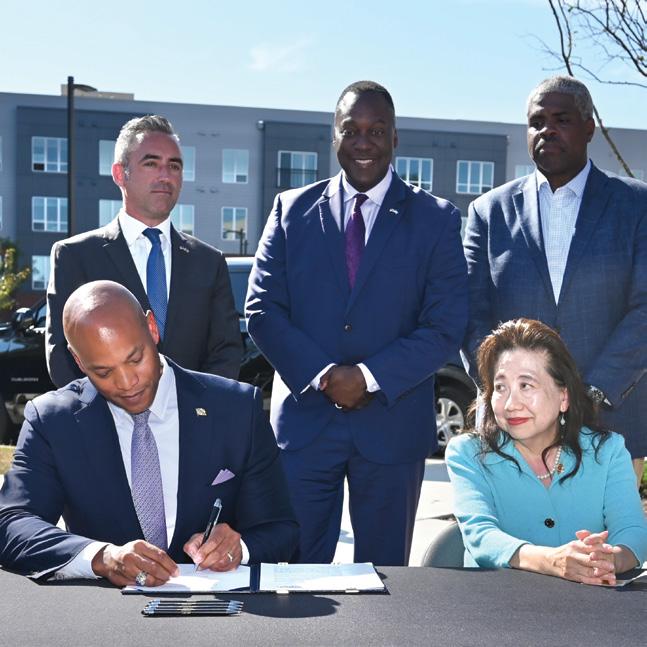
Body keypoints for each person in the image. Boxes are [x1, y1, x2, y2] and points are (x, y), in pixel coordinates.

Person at [246, 80, 468, 566]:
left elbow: (445, 324)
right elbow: (261, 309)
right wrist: (326, 375)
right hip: (305, 425)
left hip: (393, 425)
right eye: (351, 130)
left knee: (386, 579)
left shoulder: (436, 219)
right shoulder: (290, 210)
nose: (363, 142)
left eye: (376, 130)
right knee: (293, 577)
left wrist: (367, 378)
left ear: (395, 138)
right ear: (334, 136)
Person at [0, 281, 298, 584]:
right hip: (105, 610)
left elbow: (279, 530)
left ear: (152, 328)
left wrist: (239, 548)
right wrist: (101, 558)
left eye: (135, 359)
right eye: (103, 372)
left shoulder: (236, 409)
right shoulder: (52, 421)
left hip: (214, 607)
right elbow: (11, 524)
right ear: (78, 361)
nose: (127, 382)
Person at [462, 76, 647, 482]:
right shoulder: (488, 212)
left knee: (605, 529)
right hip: (513, 431)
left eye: (561, 119)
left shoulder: (637, 204)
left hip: (609, 425)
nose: (547, 130)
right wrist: (510, 393)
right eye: (536, 122)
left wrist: (590, 393)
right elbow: (471, 315)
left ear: (588, 128)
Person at [46, 115, 242, 388]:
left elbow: (226, 350)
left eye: (174, 166)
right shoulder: (75, 256)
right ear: (119, 174)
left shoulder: (209, 262)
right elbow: (63, 354)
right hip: (106, 413)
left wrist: (196, 408)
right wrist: (112, 409)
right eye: (151, 163)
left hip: (192, 413)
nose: (165, 175)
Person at [446, 318, 647, 584]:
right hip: (495, 599)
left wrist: (607, 560)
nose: (511, 404)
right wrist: (552, 561)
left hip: (590, 603)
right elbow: (480, 536)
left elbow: (633, 531)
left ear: (564, 397)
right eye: (500, 387)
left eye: (526, 386)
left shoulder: (607, 450)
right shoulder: (468, 453)